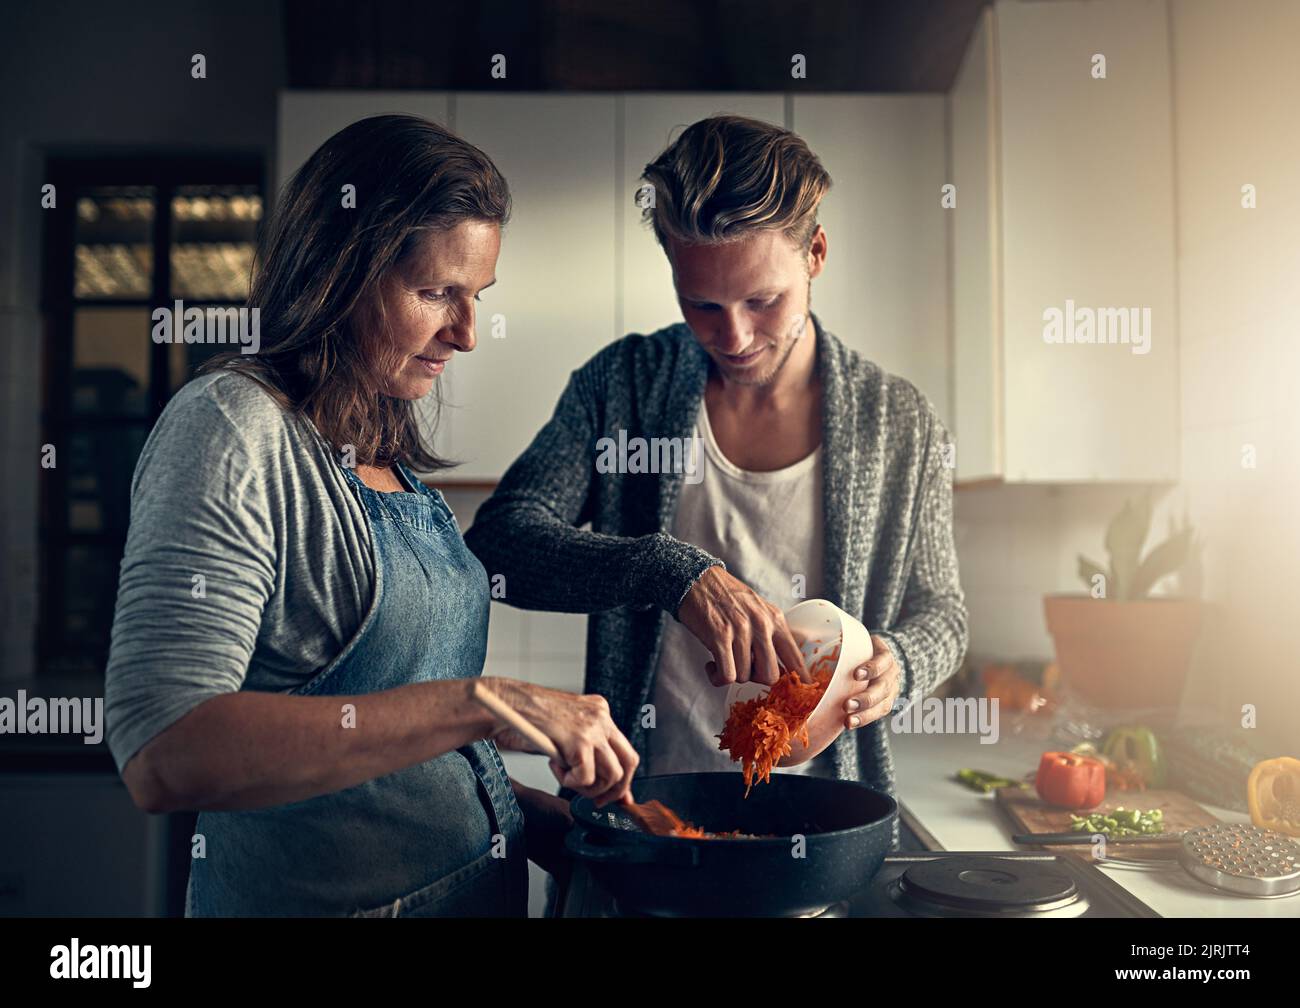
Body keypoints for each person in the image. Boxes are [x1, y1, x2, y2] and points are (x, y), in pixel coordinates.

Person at [105, 115, 636, 917]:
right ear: (337, 271)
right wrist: (483, 701)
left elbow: (393, 767)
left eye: (476, 298)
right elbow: (166, 750)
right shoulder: (231, 429)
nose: (465, 334)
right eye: (434, 293)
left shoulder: (379, 442)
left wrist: (535, 825)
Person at [464, 116, 968, 843]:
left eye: (763, 301)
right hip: (646, 815)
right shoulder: (622, 386)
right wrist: (667, 571)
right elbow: (502, 544)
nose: (733, 337)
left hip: (821, 822)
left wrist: (902, 663)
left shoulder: (899, 422)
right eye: (701, 304)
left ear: (816, 255)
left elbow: (943, 613)